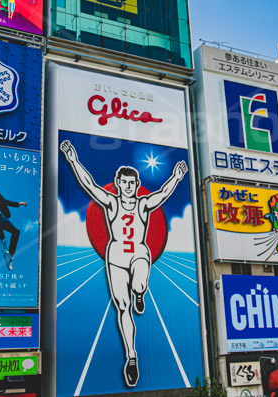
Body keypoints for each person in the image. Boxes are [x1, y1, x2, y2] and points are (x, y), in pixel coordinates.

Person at [60, 140, 187, 387]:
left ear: (137, 185)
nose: (128, 187)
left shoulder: (143, 204)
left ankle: (141, 291)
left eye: (132, 183)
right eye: (124, 183)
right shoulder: (111, 202)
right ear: (118, 183)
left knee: (139, 285)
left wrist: (176, 177)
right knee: (122, 306)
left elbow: (162, 194)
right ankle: (131, 356)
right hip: (116, 255)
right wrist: (74, 160)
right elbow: (89, 185)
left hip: (139, 252)